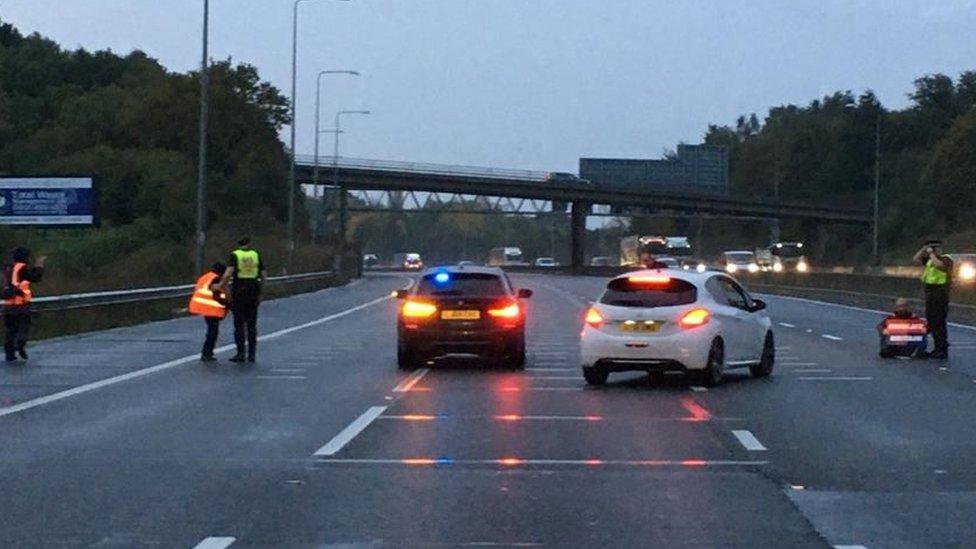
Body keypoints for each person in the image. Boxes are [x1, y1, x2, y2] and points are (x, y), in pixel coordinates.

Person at [219, 237, 266, 363]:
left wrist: (221, 285)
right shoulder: (255, 255)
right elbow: (263, 275)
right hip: (253, 291)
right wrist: (261, 292)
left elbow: (228, 273)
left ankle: (240, 353)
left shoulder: (235, 255)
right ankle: (252, 354)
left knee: (239, 324)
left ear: (239, 245)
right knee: (251, 324)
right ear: (249, 244)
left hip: (239, 292)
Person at [3, 247, 46, 362]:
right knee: (23, 328)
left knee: (10, 330)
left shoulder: (8, 268)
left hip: (8, 305)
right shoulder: (22, 267)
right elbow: (35, 277)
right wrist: (39, 265)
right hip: (21, 306)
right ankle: (20, 345)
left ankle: (9, 353)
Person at [913, 239, 953, 359]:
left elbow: (939, 266)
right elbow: (915, 259)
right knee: (932, 322)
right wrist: (923, 249)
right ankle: (938, 348)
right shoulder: (930, 260)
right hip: (931, 294)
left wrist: (931, 254)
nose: (938, 250)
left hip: (940, 294)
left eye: (937, 248)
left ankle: (941, 349)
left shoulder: (946, 259)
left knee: (938, 323)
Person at [189, 262, 228, 362]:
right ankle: (207, 353)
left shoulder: (206, 276)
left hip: (202, 306)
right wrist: (227, 304)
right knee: (212, 332)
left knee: (212, 330)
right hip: (211, 308)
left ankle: (207, 353)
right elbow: (216, 295)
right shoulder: (216, 279)